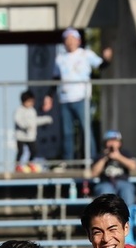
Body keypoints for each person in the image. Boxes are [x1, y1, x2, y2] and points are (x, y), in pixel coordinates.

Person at [48, 27, 113, 163]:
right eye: (67, 39)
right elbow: (55, 79)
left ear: (78, 41)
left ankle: (92, 158)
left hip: (81, 97)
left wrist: (107, 59)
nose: (70, 42)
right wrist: (49, 96)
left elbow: (100, 66)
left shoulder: (85, 54)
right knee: (67, 133)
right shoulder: (60, 58)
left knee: (86, 130)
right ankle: (69, 161)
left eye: (73, 39)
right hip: (65, 99)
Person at [90, 130, 136, 211]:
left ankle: (128, 218)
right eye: (110, 141)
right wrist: (105, 157)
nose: (112, 144)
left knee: (127, 190)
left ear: (119, 143)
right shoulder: (100, 155)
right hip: (105, 182)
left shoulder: (125, 153)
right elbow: (94, 173)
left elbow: (134, 167)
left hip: (123, 182)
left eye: (115, 141)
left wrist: (118, 157)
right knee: (105, 192)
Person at [14, 90, 53, 168]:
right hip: (21, 136)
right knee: (20, 152)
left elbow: (35, 121)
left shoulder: (32, 111)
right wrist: (26, 126)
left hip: (30, 136)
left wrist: (46, 119)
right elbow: (18, 120)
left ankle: (29, 163)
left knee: (34, 150)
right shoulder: (19, 110)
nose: (31, 103)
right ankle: (17, 165)